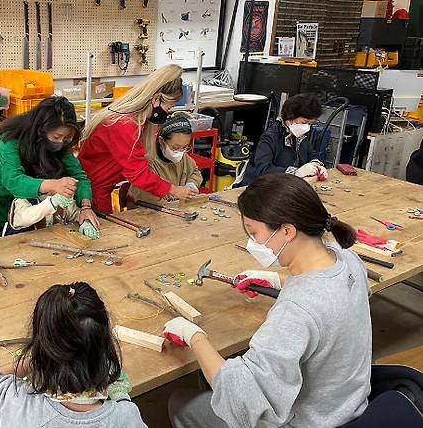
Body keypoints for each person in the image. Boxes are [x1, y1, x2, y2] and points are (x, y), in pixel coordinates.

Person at [165, 173, 371, 428]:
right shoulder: (347, 258)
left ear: (287, 230)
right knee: (211, 377)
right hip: (349, 405)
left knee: (182, 402)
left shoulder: (296, 311)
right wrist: (277, 281)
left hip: (311, 421)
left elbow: (241, 396)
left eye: (254, 233)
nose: (252, 243)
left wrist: (194, 337)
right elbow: (329, 298)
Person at [0, 282, 148, 428]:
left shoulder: (17, 402)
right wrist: (122, 399)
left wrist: (35, 360)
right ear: (105, 347)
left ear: (43, 350)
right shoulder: (126, 419)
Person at [0, 96, 99, 240]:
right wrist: (53, 185)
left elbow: (79, 176)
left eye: (65, 138)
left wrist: (86, 207)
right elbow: (13, 180)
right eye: (56, 137)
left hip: (25, 201)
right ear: (40, 129)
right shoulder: (9, 140)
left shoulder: (61, 144)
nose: (60, 143)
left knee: (24, 241)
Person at [78, 65, 198, 214]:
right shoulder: (124, 125)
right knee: (101, 231)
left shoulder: (138, 121)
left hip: (102, 186)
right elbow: (138, 174)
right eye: (169, 107)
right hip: (92, 191)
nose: (167, 113)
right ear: (156, 100)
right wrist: (173, 190)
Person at [238, 93, 327, 187]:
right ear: (290, 118)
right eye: (304, 122)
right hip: (260, 189)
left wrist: (316, 164)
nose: (307, 127)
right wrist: (295, 172)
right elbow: (262, 169)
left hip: (285, 187)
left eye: (310, 124)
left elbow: (312, 153)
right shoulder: (270, 137)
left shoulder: (300, 136)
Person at [127, 114, 203, 205]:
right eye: (175, 147)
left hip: (175, 210)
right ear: (161, 141)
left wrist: (191, 184)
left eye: (185, 147)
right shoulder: (148, 162)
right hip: (148, 213)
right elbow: (148, 203)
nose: (180, 152)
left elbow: (195, 172)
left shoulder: (183, 157)